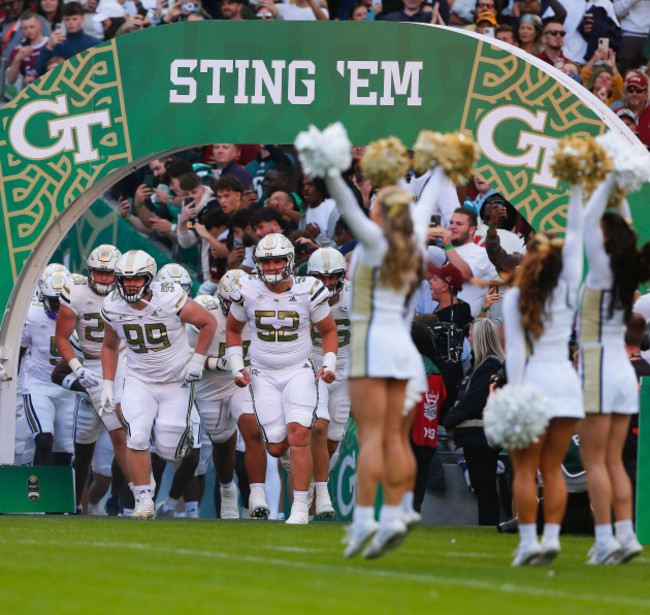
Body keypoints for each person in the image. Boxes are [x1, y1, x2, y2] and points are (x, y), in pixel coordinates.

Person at [321, 143, 448, 558]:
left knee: (375, 439)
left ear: (379, 213)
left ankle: (363, 524)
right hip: (407, 353)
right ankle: (398, 512)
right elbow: (427, 196)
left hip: (374, 349)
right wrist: (445, 166)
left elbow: (345, 202)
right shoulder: (414, 242)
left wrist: (329, 166)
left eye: (376, 204)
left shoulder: (375, 243)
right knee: (400, 440)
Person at [225, 234, 338, 525]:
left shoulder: (309, 289)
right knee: (275, 446)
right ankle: (301, 481)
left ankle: (300, 507)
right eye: (266, 261)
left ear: (289, 262)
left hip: (299, 369)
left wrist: (328, 362)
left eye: (277, 260)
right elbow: (233, 329)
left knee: (300, 434)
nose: (272, 266)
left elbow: (328, 330)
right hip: (263, 373)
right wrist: (238, 366)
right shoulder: (247, 289)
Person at [502, 181, 585, 566]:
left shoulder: (516, 296)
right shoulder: (568, 287)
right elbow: (578, 236)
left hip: (532, 386)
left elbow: (515, 356)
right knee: (553, 470)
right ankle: (550, 537)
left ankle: (529, 543)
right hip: (567, 388)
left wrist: (515, 397)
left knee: (525, 471)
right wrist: (578, 192)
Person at [100, 249, 217, 519]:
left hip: (175, 380)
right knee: (137, 435)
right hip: (139, 379)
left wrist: (197, 360)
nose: (130, 284)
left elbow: (208, 322)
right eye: (124, 278)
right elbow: (109, 345)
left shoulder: (169, 298)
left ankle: (165, 444)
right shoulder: (113, 305)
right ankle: (143, 498)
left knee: (168, 449)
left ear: (149, 279)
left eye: (137, 278)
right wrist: (108, 385)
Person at [576, 175, 646, 564]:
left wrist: (606, 178)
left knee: (596, 461)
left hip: (600, 370)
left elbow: (588, 221)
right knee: (615, 459)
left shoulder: (603, 274)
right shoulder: (626, 271)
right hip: (621, 371)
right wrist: (620, 192)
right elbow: (626, 229)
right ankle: (625, 535)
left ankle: (604, 539)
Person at [55, 245, 131, 511]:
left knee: (124, 432)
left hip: (125, 360)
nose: (103, 279)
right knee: (96, 441)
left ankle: (138, 495)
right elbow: (62, 337)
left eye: (109, 273)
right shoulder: (74, 293)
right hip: (93, 364)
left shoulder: (130, 292)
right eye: (98, 273)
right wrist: (77, 368)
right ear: (89, 271)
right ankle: (78, 504)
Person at [442, 318, 504, 526]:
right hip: (474, 436)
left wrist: (450, 419)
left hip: (481, 437)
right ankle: (486, 525)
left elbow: (475, 399)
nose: (467, 339)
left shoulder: (490, 366)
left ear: (480, 338)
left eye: (470, 335)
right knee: (481, 485)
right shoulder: (480, 366)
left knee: (484, 486)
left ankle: (488, 525)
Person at [306, 247, 353, 517]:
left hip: (346, 373)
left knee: (333, 441)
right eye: (320, 278)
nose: (326, 284)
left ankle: (315, 479)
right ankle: (316, 490)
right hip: (315, 369)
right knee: (319, 430)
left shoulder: (355, 296)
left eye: (332, 277)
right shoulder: (303, 295)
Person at [21, 270, 76, 466]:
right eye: (54, 300)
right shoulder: (33, 316)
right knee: (43, 440)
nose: (59, 306)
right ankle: (38, 493)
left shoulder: (83, 317)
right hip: (38, 385)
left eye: (64, 300)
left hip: (69, 390)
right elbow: (20, 351)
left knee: (65, 451)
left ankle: (61, 496)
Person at [428, 207, 497, 317]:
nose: (452, 227)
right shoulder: (442, 251)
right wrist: (424, 240)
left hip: (465, 326)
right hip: (437, 320)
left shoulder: (481, 253)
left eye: (459, 224)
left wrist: (448, 245)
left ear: (471, 229)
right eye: (451, 223)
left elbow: (463, 274)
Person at [35, 1, 99, 75]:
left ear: (82, 19)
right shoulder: (57, 43)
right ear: (63, 20)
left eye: (74, 19)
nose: (71, 23)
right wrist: (49, 47)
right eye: (67, 19)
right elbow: (39, 69)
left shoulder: (94, 43)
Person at [6, 11, 48, 88]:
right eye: (25, 28)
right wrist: (17, 59)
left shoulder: (50, 44)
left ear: (39, 25)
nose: (28, 30)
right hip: (30, 95)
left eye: (32, 27)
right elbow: (10, 80)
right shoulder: (17, 50)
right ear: (21, 29)